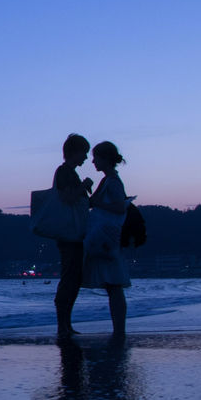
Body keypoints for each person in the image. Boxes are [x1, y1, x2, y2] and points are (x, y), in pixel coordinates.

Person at [82, 141, 131, 335]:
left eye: (96, 157)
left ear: (105, 159)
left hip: (108, 239)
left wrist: (98, 202)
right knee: (113, 286)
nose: (93, 161)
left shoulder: (113, 181)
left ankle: (119, 330)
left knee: (114, 285)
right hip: (106, 238)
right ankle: (118, 329)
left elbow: (120, 207)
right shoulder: (108, 179)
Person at [53, 134, 93, 337]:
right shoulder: (63, 172)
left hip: (74, 234)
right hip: (69, 234)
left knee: (74, 277)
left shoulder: (69, 172)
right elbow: (67, 197)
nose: (86, 158)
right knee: (70, 277)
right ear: (74, 152)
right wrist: (84, 187)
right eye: (84, 153)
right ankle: (63, 325)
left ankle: (66, 324)